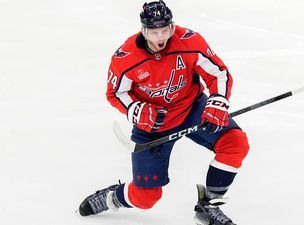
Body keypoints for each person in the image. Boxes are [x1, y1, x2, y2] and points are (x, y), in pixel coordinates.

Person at [78, 1, 250, 225]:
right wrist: (135, 109)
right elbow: (115, 93)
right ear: (143, 30)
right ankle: (113, 197)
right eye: (154, 31)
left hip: (191, 108)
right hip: (153, 126)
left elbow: (217, 73)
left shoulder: (189, 41)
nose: (160, 37)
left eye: (164, 30)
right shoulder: (126, 57)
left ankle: (208, 207)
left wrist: (217, 101)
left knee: (235, 143)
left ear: (172, 27)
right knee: (146, 198)